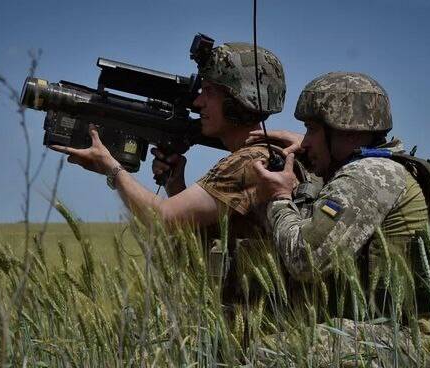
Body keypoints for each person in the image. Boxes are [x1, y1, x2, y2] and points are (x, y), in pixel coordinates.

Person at [252, 72, 430, 366]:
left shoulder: (367, 175)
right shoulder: (385, 167)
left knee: (271, 352)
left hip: (418, 341)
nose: (304, 142)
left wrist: (278, 197)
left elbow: (304, 259)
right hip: (423, 337)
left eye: (312, 130)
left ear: (350, 133)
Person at [50, 42, 291, 302]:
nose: (198, 102)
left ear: (238, 101)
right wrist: (175, 185)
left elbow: (163, 220)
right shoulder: (264, 157)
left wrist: (110, 168)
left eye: (208, 92)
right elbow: (200, 234)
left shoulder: (249, 163)